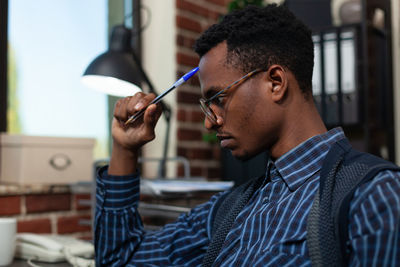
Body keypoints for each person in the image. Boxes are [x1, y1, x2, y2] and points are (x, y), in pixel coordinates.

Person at [95, 4, 400, 266]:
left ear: (276, 82)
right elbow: (121, 260)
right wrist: (124, 148)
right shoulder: (230, 210)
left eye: (219, 98)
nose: (209, 123)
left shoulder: (374, 196)